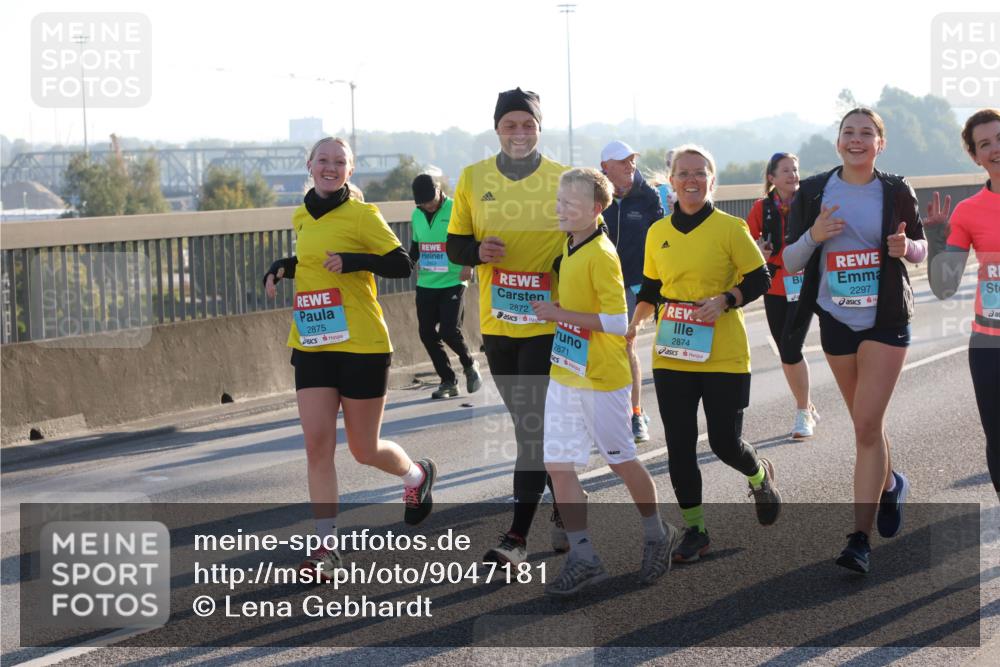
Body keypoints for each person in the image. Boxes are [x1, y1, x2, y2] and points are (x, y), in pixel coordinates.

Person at [263, 137, 436, 580]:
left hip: (362, 344)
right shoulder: (301, 215)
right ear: (309, 165)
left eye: (339, 162)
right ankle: (326, 547)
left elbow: (401, 263)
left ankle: (415, 476)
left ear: (349, 171)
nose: (330, 167)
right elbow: (314, 260)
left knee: (363, 449)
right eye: (323, 160)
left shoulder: (363, 214)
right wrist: (285, 266)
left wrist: (356, 261)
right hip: (313, 341)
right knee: (317, 446)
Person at [782, 108, 927, 573]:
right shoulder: (814, 190)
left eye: (867, 133)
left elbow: (923, 248)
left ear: (879, 144)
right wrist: (814, 234)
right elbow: (789, 260)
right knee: (867, 425)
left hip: (885, 318)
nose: (857, 139)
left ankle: (858, 541)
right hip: (837, 320)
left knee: (865, 426)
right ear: (838, 141)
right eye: (849, 132)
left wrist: (908, 249)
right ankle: (889, 485)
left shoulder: (896, 189)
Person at [627, 144, 781, 565]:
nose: (691, 180)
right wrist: (635, 321)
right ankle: (696, 529)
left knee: (723, 442)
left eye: (700, 173)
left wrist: (727, 298)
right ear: (671, 182)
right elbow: (653, 287)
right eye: (683, 173)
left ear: (712, 181)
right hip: (673, 352)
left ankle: (759, 475)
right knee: (678, 446)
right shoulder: (658, 233)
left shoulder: (730, 228)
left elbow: (761, 277)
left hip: (723, 354)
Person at [535, 168, 680, 595]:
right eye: (559, 200)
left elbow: (619, 323)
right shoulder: (572, 243)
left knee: (620, 461)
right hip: (566, 372)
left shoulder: (601, 253)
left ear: (596, 209)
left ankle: (657, 533)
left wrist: (558, 314)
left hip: (602, 378)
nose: (561, 208)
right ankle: (583, 556)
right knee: (558, 466)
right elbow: (588, 305)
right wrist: (565, 307)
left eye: (570, 203)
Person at [447, 88, 570, 565]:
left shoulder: (564, 179)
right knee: (531, 427)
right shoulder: (473, 178)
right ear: (497, 129)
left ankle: (516, 538)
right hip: (497, 325)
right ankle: (563, 503)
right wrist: (477, 252)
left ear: (540, 128)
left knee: (530, 430)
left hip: (549, 325)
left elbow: (589, 240)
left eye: (528, 124)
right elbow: (454, 245)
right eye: (510, 125)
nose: (519, 133)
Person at [925, 108, 1000, 504]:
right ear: (975, 156)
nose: (995, 149)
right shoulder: (969, 211)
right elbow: (944, 285)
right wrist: (937, 236)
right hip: (990, 345)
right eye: (984, 144)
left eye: (999, 138)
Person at [745, 152, 820, 438]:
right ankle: (807, 404)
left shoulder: (810, 204)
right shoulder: (760, 208)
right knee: (785, 351)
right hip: (774, 285)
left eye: (796, 170)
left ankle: (803, 414)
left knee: (791, 348)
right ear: (771, 178)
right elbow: (746, 241)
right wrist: (758, 252)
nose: (793, 175)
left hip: (804, 283)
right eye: (786, 171)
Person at [600, 140, 664, 444]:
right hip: (602, 284)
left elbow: (663, 239)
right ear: (605, 168)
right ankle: (605, 413)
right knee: (599, 351)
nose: (630, 166)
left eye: (631, 160)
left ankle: (635, 413)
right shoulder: (595, 196)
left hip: (637, 284)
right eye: (621, 161)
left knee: (626, 347)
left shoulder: (648, 197)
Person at [408, 173, 482, 399]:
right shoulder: (416, 215)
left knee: (449, 330)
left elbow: (472, 237)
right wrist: (405, 264)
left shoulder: (455, 209)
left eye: (431, 200)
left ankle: (469, 364)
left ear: (439, 191)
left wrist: (470, 264)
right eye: (423, 203)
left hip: (454, 279)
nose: (428, 206)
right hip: (427, 282)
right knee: (427, 333)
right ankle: (448, 381)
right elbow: (416, 246)